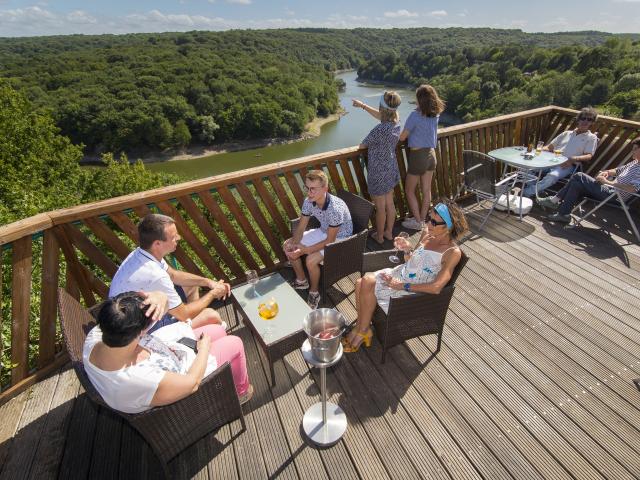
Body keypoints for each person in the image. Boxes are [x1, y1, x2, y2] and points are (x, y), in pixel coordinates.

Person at [83, 291, 252, 414]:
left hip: (171, 353)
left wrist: (160, 296)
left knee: (217, 331)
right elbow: (191, 383)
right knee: (235, 344)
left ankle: (225, 376)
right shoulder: (139, 379)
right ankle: (241, 391)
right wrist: (204, 350)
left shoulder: (98, 335)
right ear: (139, 332)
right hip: (185, 376)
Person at [343, 200, 467, 352]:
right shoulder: (427, 234)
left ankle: (362, 329)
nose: (428, 224)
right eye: (429, 218)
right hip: (401, 274)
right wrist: (408, 250)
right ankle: (363, 326)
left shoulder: (452, 253)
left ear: (449, 226)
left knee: (366, 281)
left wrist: (401, 285)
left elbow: (436, 287)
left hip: (411, 290)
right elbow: (412, 260)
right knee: (359, 282)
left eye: (434, 222)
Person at [109, 213, 230, 333]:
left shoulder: (143, 253)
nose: (178, 238)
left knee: (191, 285)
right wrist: (213, 294)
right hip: (140, 331)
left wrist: (207, 282)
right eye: (173, 236)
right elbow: (183, 314)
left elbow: (173, 275)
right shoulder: (155, 274)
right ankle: (189, 331)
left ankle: (189, 326)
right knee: (212, 316)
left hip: (135, 313)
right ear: (157, 243)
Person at [283, 170, 353, 309]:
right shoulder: (309, 201)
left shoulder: (335, 209)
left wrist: (305, 250)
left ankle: (314, 292)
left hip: (342, 238)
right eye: (307, 188)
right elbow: (301, 227)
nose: (309, 192)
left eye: (313, 189)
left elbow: (330, 241)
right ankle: (302, 280)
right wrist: (295, 244)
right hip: (324, 230)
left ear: (325, 189)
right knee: (287, 245)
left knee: (310, 260)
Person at [539, 137, 640, 223]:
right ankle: (564, 215)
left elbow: (632, 189)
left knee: (579, 175)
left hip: (614, 196)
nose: (633, 151)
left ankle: (554, 200)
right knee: (576, 184)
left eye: (635, 149)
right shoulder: (634, 163)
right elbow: (616, 171)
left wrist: (607, 182)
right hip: (608, 190)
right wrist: (607, 173)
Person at [352, 91, 402, 244]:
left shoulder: (379, 130)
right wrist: (363, 106)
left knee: (380, 208)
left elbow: (363, 144)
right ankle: (388, 233)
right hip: (390, 168)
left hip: (377, 172)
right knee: (390, 204)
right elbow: (384, 117)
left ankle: (379, 237)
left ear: (381, 108)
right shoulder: (397, 123)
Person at [398, 84, 446, 230]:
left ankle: (418, 221)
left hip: (418, 155)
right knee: (426, 190)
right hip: (431, 154)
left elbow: (402, 137)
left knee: (409, 190)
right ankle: (423, 219)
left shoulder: (415, 115)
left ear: (420, 99)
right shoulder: (436, 114)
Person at [523, 107, 598, 198]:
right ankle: (537, 190)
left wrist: (573, 159)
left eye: (589, 119)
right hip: (551, 160)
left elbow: (589, 155)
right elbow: (549, 147)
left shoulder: (591, 137)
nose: (585, 121)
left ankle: (527, 192)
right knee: (527, 168)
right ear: (578, 120)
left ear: (592, 122)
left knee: (552, 176)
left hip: (567, 164)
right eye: (583, 118)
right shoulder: (566, 133)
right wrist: (537, 151)